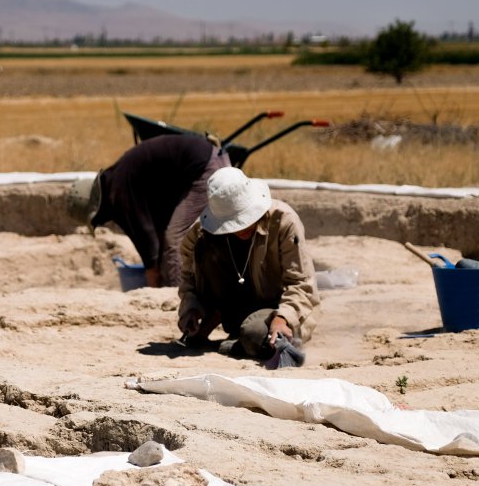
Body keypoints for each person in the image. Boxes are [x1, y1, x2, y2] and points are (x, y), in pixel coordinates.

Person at [177, 166, 320, 362]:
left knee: (255, 336)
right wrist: (190, 308)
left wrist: (283, 318)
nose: (240, 228)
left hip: (277, 309)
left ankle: (240, 342)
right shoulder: (199, 235)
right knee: (203, 246)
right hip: (232, 310)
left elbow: (301, 283)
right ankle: (214, 322)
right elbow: (188, 279)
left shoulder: (284, 222)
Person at [67, 134, 230, 287]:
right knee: (170, 238)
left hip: (205, 168)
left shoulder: (118, 190)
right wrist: (155, 266)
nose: (102, 222)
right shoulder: (118, 179)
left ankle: (178, 295)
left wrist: (151, 273)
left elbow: (144, 232)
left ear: (97, 204)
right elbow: (154, 229)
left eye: (97, 219)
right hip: (214, 159)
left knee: (174, 239)